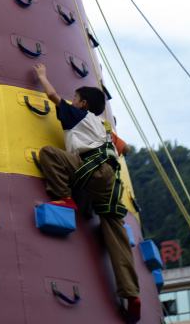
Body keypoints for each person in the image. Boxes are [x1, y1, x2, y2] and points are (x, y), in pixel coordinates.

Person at [33, 64, 141, 322]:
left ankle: (65, 197)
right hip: (111, 183)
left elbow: (52, 96)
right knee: (117, 236)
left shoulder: (77, 115)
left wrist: (42, 76)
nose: (72, 100)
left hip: (90, 170)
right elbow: (126, 149)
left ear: (82, 104)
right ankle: (132, 294)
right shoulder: (104, 128)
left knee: (49, 153)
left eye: (76, 97)